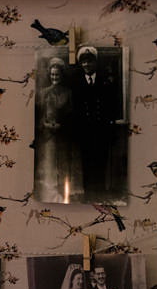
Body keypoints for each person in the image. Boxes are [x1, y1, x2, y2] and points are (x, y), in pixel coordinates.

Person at [69, 46, 122, 200]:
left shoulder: (106, 81)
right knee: (86, 164)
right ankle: (88, 195)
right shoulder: (76, 83)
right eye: (84, 62)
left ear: (95, 63)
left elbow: (112, 106)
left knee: (101, 163)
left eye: (89, 62)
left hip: (102, 131)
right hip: (85, 132)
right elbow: (75, 110)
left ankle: (100, 195)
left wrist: (111, 129)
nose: (86, 65)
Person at [35, 57, 82, 203]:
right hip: (47, 136)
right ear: (49, 75)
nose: (55, 77)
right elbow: (39, 114)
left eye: (57, 74)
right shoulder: (43, 93)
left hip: (63, 136)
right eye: (52, 75)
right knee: (49, 166)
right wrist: (45, 125)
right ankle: (50, 197)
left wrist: (63, 126)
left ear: (62, 75)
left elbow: (71, 114)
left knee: (62, 166)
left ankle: (63, 196)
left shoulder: (68, 93)